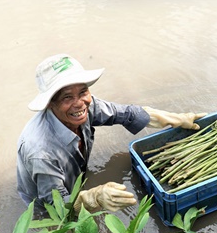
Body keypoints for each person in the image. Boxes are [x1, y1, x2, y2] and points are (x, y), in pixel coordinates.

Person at [17, 54, 206, 216]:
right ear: (50, 103)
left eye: (83, 91)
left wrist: (176, 119)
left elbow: (126, 114)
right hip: (45, 206)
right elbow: (56, 205)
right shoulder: (41, 152)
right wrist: (94, 197)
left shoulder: (86, 107)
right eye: (67, 97)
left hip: (74, 179)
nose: (80, 103)